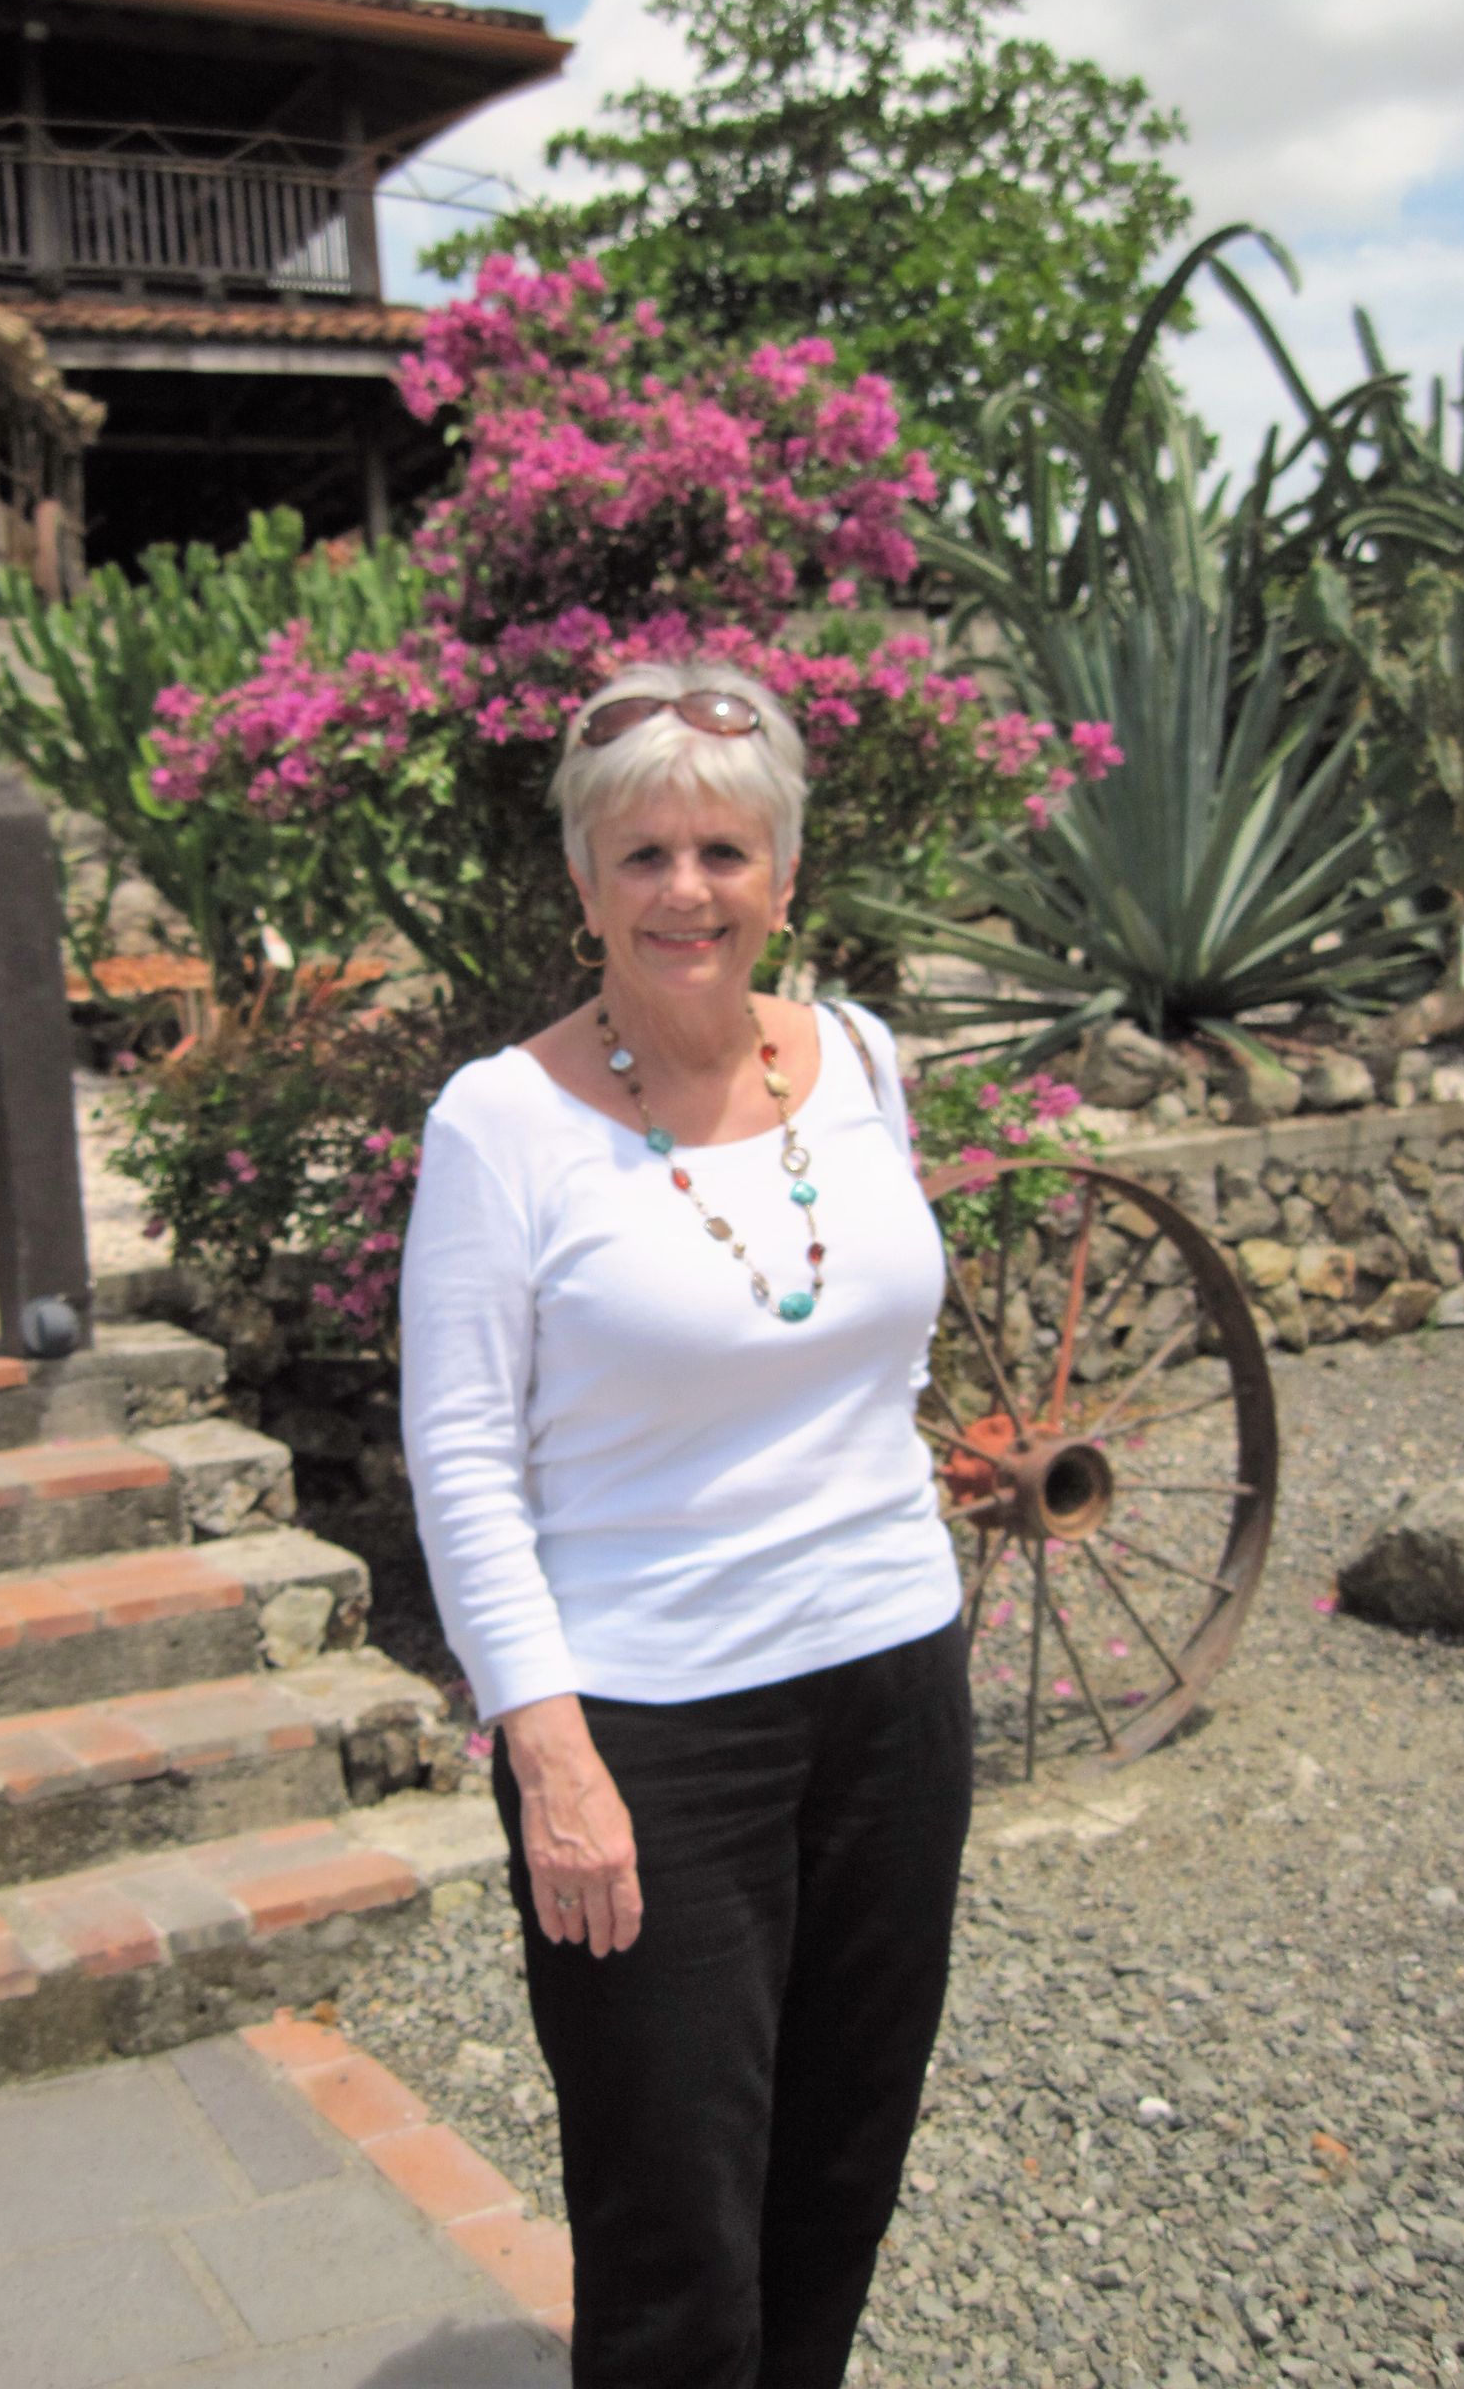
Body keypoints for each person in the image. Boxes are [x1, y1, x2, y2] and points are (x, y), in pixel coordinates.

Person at [398, 665, 973, 2389]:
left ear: (785, 877)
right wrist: (552, 1758)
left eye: (725, 848)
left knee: (840, 2168)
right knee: (675, 2227)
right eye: (639, 853)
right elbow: (459, 1458)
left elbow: (892, 1348)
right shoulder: (502, 1124)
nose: (686, 890)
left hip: (891, 1689)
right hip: (648, 1729)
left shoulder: (864, 1056)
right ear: (582, 886)